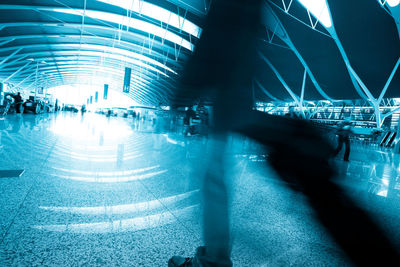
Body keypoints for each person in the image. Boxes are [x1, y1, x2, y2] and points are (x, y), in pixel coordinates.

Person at [168, 0, 400, 266]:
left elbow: (222, 28)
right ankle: (215, 257)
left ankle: (215, 259)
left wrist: (185, 89)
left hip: (231, 95)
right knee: (220, 174)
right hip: (236, 92)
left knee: (217, 176)